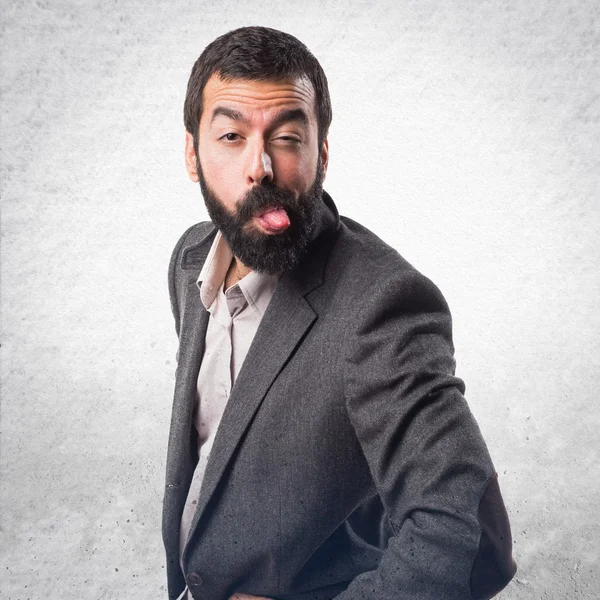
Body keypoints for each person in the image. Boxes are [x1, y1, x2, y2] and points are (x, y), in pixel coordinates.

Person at [163, 25, 516, 600]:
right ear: (191, 154)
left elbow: (472, 539)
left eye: (286, 137)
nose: (260, 168)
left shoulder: (382, 306)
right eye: (230, 135)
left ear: (321, 153)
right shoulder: (189, 261)